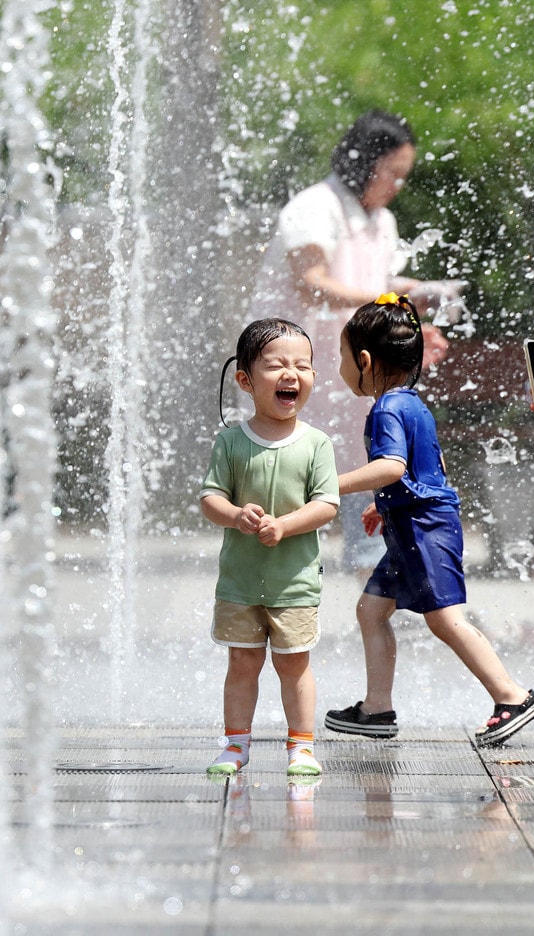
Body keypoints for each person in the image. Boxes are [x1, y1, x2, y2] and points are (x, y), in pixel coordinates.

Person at [323, 294, 534, 747]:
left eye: (342, 358)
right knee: (370, 610)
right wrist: (381, 503)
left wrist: (330, 484)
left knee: (444, 620)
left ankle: (512, 696)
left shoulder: (387, 408)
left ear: (364, 360)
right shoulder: (410, 402)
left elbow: (392, 467)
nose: (340, 367)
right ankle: (377, 708)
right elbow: (431, 466)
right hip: (413, 522)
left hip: (423, 529)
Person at [254, 110, 462, 572]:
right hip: (294, 372)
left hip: (349, 375)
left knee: (365, 478)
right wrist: (401, 297)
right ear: (365, 163)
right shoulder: (315, 208)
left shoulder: (380, 221)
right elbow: (312, 283)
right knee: (287, 490)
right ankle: (273, 601)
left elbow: (372, 283)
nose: (398, 186)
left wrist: (409, 320)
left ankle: (378, 599)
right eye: (394, 174)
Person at [200, 318, 340, 777]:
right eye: (276, 365)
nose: (291, 374)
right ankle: (235, 744)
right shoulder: (231, 441)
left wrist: (284, 525)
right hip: (239, 581)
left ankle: (300, 746)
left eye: (303, 365)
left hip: (294, 581)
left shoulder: (316, 443)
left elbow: (326, 505)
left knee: (294, 665)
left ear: (313, 378)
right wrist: (236, 515)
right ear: (244, 379)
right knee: (242, 662)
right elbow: (210, 498)